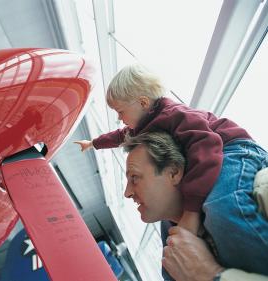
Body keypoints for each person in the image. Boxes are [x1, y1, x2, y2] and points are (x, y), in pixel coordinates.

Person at [75, 63, 255, 237]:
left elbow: (206, 146)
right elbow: (120, 136)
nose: (119, 118)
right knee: (168, 224)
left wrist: (191, 212)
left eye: (120, 111)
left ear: (143, 102)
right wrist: (93, 143)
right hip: (211, 153)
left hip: (233, 150)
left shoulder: (174, 115)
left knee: (226, 206)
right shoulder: (145, 124)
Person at [122, 131, 268, 279]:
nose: (127, 193)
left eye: (134, 177)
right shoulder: (174, 250)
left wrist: (208, 274)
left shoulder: (261, 190)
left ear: (173, 172)